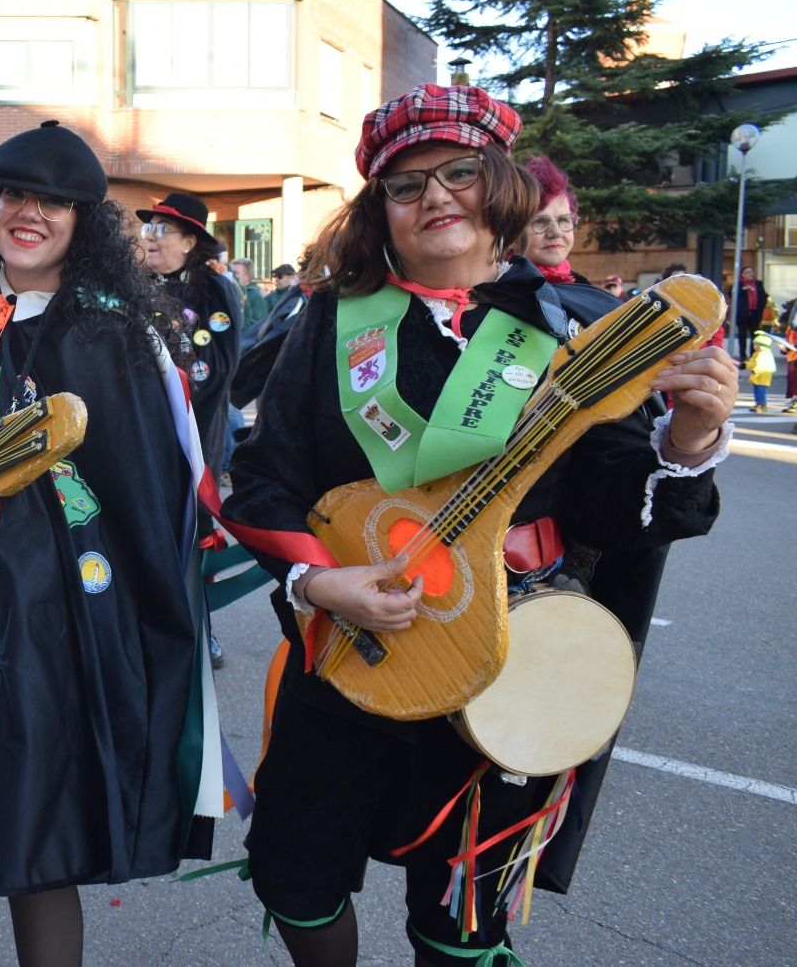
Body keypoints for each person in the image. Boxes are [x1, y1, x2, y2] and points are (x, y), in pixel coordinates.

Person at [222, 83, 735, 967]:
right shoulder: (330, 323)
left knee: (461, 913)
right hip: (352, 644)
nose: (435, 196)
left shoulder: (573, 327)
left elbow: (613, 505)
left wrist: (689, 438)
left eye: (458, 172)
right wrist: (321, 581)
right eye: (405, 184)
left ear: (499, 186)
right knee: (294, 875)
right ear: (381, 210)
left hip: (507, 652)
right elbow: (264, 480)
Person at [0, 122, 221, 966]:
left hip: (62, 624)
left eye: (53, 202)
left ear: (82, 222)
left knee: (37, 840)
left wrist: (26, 524)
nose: (29, 213)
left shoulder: (106, 335)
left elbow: (143, 500)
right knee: (19, 821)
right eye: (14, 195)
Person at [137, 191, 241, 666]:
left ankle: (202, 627)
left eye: (161, 230)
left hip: (193, 428)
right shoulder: (133, 286)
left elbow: (218, 366)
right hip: (140, 428)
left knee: (193, 524)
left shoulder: (214, 290)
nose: (150, 238)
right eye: (148, 229)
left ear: (189, 241)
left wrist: (177, 408)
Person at [515, 156, 585, 285]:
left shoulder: (583, 286)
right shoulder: (500, 290)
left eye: (564, 220)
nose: (556, 232)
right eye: (540, 221)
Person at [734, 264, 769, 360]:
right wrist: (744, 289)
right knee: (742, 336)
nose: (750, 274)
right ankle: (742, 356)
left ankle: (753, 356)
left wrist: (760, 308)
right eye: (747, 272)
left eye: (751, 272)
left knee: (755, 336)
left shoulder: (758, 283)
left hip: (755, 314)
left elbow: (764, 296)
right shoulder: (739, 284)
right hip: (742, 315)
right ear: (742, 275)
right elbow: (731, 295)